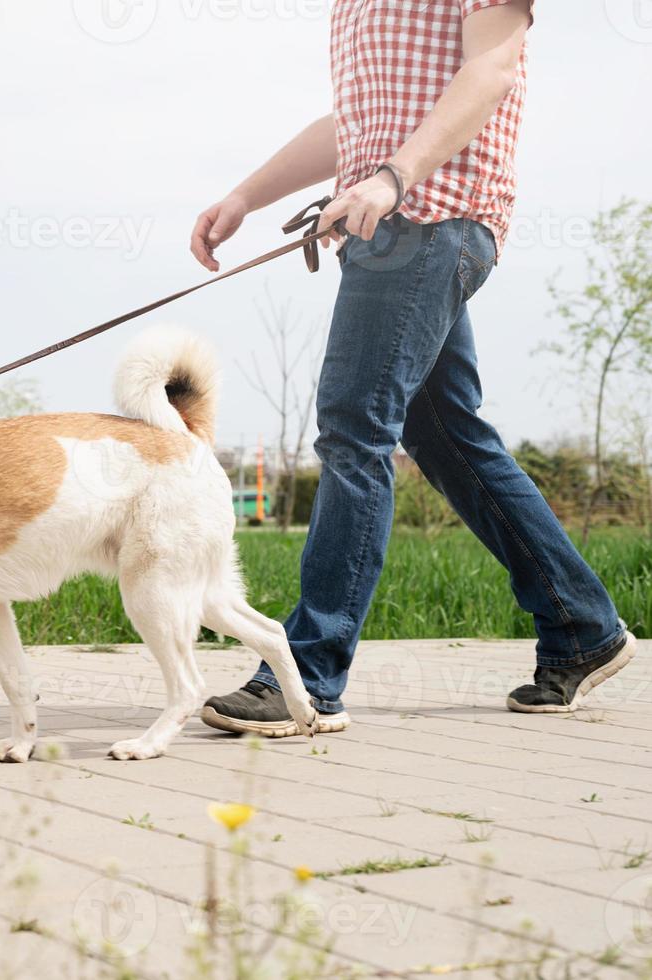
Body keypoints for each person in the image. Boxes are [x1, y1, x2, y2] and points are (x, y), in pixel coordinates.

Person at [191, 0, 635, 737]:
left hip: (431, 218)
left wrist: (393, 179)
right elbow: (355, 125)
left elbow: (490, 69)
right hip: (388, 223)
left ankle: (305, 675)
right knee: (445, 436)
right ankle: (581, 625)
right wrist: (244, 196)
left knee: (352, 430)